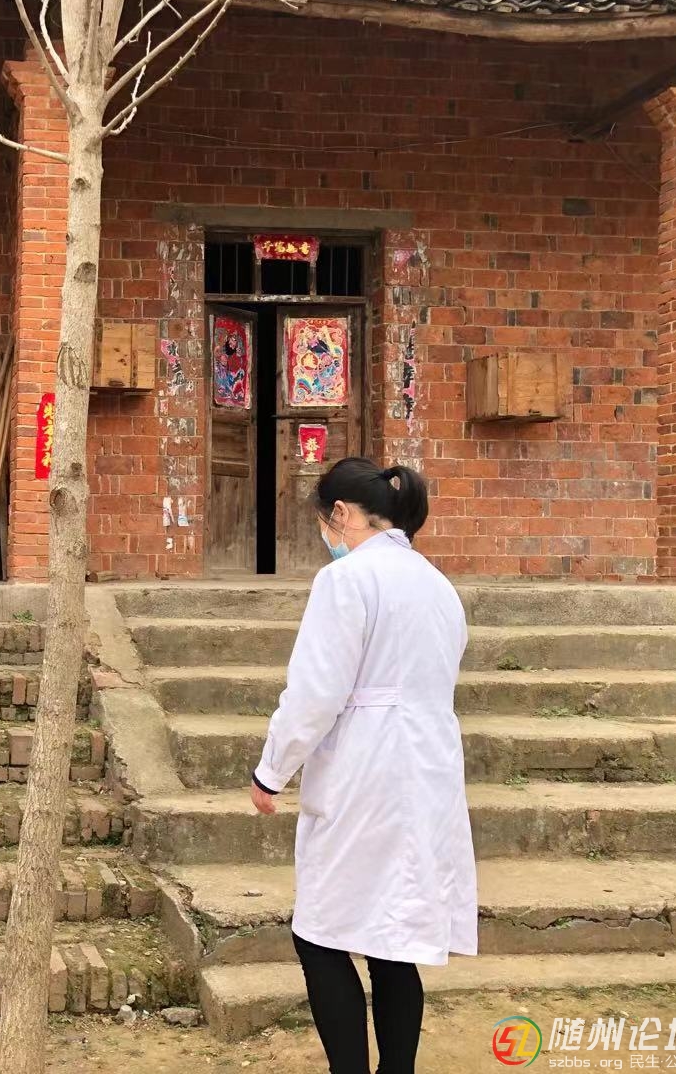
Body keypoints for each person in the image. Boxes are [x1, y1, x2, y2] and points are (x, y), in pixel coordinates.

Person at [249, 457, 477, 1074]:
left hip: (367, 770)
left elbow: (315, 692)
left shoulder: (346, 580)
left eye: (324, 522)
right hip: (428, 768)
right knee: (391, 939)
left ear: (341, 514)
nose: (325, 535)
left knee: (320, 932)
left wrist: (272, 770)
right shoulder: (437, 585)